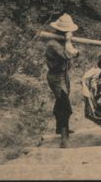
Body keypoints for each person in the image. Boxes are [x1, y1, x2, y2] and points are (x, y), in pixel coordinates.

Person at [45, 13, 80, 148]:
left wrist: (70, 44)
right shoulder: (53, 43)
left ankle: (60, 128)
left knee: (60, 103)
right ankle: (64, 137)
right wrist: (68, 42)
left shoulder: (63, 42)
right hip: (55, 77)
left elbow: (76, 53)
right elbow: (66, 55)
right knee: (65, 106)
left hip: (64, 75)